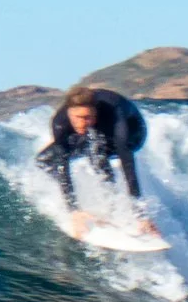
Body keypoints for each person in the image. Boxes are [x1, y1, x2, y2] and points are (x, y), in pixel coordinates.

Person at [37, 83, 160, 237]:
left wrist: (141, 215)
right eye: (78, 118)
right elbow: (63, 164)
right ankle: (85, 211)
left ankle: (114, 211)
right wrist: (73, 210)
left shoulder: (113, 114)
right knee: (44, 160)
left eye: (87, 117)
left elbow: (127, 164)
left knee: (95, 149)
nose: (82, 123)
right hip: (95, 134)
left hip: (134, 133)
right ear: (69, 113)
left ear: (95, 112)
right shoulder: (59, 122)